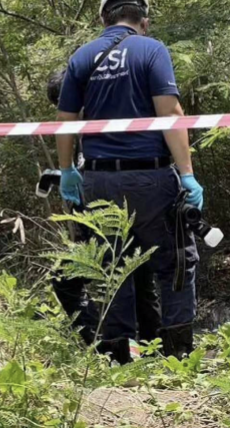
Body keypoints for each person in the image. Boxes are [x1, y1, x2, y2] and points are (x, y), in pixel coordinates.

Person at [55, 0, 204, 362]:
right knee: (174, 261)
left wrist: (68, 170)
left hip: (99, 180)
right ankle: (177, 355)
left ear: (104, 17)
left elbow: (65, 120)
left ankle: (119, 358)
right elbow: (170, 114)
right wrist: (186, 174)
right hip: (150, 178)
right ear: (144, 19)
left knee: (113, 264)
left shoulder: (81, 57)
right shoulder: (152, 51)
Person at [47, 70, 162, 363]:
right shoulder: (95, 127)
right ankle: (146, 352)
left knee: (68, 280)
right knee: (138, 283)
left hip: (113, 224)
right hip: (124, 219)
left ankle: (113, 349)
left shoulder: (102, 127)